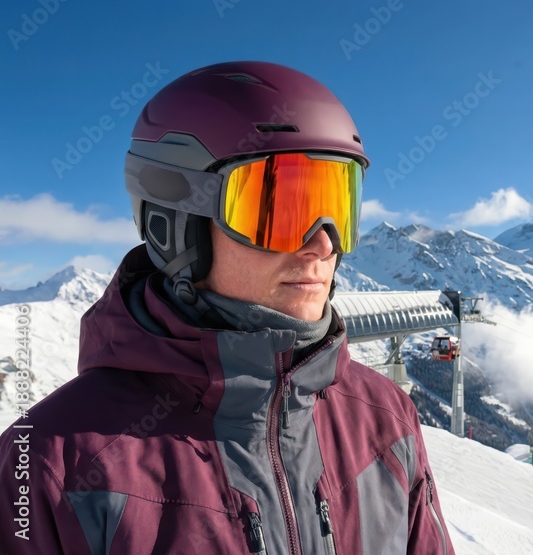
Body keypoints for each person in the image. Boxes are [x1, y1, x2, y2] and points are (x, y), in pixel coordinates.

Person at [0, 61, 454, 554]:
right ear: (176, 226)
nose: (323, 244)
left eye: (338, 208)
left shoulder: (387, 419)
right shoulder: (50, 464)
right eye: (279, 210)